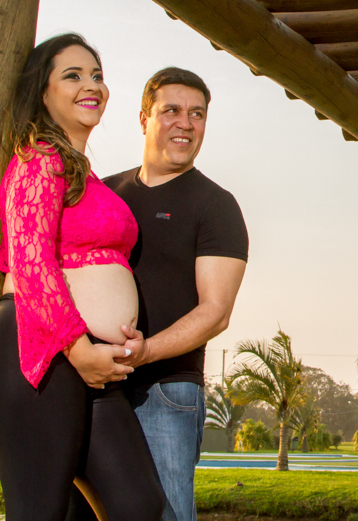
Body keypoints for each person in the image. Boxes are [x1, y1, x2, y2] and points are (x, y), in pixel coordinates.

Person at [0, 33, 164, 521]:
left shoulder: (84, 174)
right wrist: (80, 351)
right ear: (43, 91)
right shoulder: (39, 159)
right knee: (40, 512)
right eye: (73, 76)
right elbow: (31, 262)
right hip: (40, 350)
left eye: (97, 75)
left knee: (138, 506)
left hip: (88, 360)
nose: (90, 85)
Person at [104, 67, 248, 521]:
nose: (185, 123)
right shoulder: (103, 194)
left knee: (165, 514)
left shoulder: (216, 205)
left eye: (197, 114)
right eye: (171, 110)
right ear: (144, 118)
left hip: (166, 391)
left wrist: (144, 351)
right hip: (93, 383)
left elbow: (216, 311)